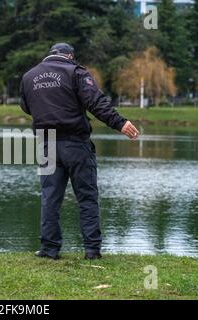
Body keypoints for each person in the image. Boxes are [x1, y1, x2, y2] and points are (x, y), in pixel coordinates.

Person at [20, 43, 140, 260]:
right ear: (69, 56)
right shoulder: (76, 72)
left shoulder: (29, 76)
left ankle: (49, 249)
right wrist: (119, 123)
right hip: (75, 144)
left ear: (50, 55)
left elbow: (26, 107)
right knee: (87, 197)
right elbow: (96, 103)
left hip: (47, 144)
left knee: (50, 198)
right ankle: (92, 250)